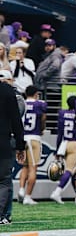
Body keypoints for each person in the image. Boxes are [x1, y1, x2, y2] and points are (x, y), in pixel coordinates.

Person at [0, 70, 25, 224]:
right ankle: (2, 214)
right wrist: (20, 146)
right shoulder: (8, 91)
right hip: (2, 140)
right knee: (3, 180)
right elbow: (16, 120)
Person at [18, 85, 47, 205]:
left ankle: (21, 189)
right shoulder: (40, 104)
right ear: (36, 94)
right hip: (34, 138)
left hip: (23, 137)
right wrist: (42, 129)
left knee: (24, 167)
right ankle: (28, 196)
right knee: (33, 168)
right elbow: (43, 119)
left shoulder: (22, 103)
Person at [50, 95, 76, 204]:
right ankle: (57, 192)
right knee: (70, 170)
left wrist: (58, 149)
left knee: (75, 172)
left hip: (64, 143)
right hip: (75, 143)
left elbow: (60, 133)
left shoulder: (62, 113)